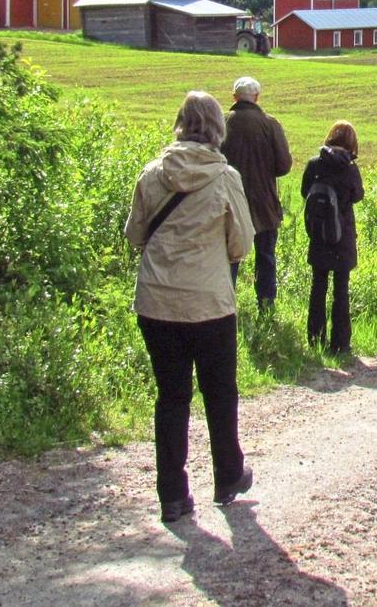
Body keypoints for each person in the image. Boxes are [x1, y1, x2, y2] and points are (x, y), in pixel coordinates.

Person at [124, 91, 257, 523]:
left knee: (171, 396)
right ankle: (227, 475)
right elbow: (242, 245)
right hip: (209, 302)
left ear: (180, 123)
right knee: (220, 393)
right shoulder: (225, 178)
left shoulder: (151, 174)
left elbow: (134, 235)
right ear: (219, 129)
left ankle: (173, 496)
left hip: (157, 300)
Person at [221, 76, 293, 310]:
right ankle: (266, 305)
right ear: (257, 97)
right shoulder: (270, 124)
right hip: (264, 202)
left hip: (229, 201)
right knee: (265, 257)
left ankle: (225, 307)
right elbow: (284, 166)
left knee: (230, 256)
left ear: (234, 98)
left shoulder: (223, 123)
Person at [301, 121, 365, 356]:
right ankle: (341, 343)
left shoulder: (314, 164)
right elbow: (358, 195)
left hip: (318, 232)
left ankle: (316, 339)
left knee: (318, 286)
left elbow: (304, 192)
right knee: (341, 288)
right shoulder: (349, 168)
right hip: (342, 233)